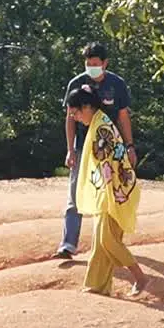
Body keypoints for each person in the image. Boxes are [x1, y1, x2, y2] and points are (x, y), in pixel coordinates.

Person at [55, 43, 134, 260]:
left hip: (110, 148)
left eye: (96, 64)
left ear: (105, 63)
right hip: (83, 147)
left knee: (112, 192)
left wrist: (129, 146)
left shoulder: (117, 85)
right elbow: (70, 119)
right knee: (75, 194)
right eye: (88, 64)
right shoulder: (77, 83)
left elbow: (123, 117)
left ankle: (111, 243)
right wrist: (70, 150)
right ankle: (68, 244)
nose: (91, 68)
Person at [67, 86, 149, 296]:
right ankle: (96, 287)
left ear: (86, 107)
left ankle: (139, 276)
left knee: (107, 240)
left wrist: (109, 196)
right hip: (109, 192)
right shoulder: (97, 123)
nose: (75, 118)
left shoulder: (101, 125)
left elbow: (109, 165)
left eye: (75, 113)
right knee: (99, 243)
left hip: (115, 193)